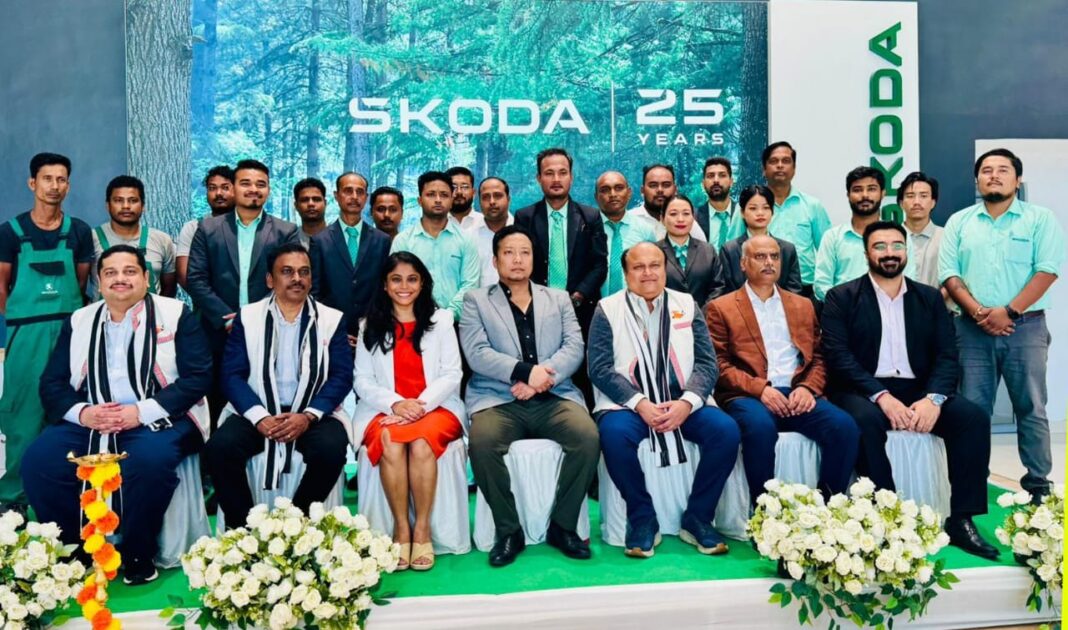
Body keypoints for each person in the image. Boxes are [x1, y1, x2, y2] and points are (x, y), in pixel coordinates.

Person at [25, 245, 211, 585]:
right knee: (40, 461)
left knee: (150, 461)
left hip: (160, 416)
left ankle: (138, 553)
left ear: (147, 278)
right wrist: (84, 414)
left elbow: (198, 377)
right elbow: (51, 382)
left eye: (130, 271)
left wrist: (139, 412)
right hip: (93, 418)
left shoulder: (176, 313)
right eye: (110, 273)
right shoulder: (80, 320)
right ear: (98, 281)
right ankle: (75, 551)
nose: (120, 279)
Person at [823, 222, 998, 559]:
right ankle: (886, 516)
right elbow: (839, 357)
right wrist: (882, 397)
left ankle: (962, 519)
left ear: (906, 251)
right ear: (866, 253)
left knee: (972, 418)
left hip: (919, 389)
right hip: (862, 388)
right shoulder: (841, 297)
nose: (889, 253)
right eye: (880, 246)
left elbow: (947, 355)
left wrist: (934, 399)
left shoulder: (929, 298)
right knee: (864, 421)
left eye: (896, 245)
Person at [589, 242, 740, 558]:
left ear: (665, 268)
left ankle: (698, 517)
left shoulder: (686, 304)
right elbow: (599, 367)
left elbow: (707, 363)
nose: (648, 273)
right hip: (629, 404)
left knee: (726, 431)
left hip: (682, 400)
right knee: (613, 436)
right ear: (626, 273)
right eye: (638, 267)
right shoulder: (608, 308)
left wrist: (687, 403)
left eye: (654, 265)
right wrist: (639, 403)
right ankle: (642, 517)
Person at [460, 225, 599, 567]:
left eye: (524, 252)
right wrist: (524, 372)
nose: (517, 259)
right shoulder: (476, 300)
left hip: (554, 395)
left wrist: (538, 382)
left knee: (587, 437)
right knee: (482, 442)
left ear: (534, 259)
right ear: (495, 261)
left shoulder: (558, 298)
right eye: (508, 252)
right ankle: (509, 531)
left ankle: (563, 526)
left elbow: (574, 347)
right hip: (498, 398)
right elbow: (477, 353)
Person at [940, 148, 1065, 500]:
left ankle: (1038, 484)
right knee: (972, 409)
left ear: (1017, 179)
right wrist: (980, 312)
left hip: (1026, 328)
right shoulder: (959, 222)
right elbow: (949, 274)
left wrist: (1008, 312)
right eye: (986, 170)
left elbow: (1047, 270)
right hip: (970, 329)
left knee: (1031, 406)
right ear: (977, 180)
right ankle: (971, 484)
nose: (993, 175)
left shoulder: (1040, 219)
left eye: (1003, 170)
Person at [205, 243, 351, 526]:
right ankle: (245, 530)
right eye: (287, 272)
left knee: (331, 450)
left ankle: (296, 525)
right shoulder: (248, 317)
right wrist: (260, 417)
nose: (297, 278)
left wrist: (308, 416)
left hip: (312, 412)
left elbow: (341, 375)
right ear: (270, 280)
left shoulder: (331, 319)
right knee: (220, 449)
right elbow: (232, 374)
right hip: (257, 409)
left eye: (304, 272)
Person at [706, 236, 858, 505]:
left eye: (774, 257)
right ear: (743, 264)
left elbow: (819, 357)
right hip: (749, 395)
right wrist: (761, 390)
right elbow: (718, 364)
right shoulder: (722, 307)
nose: (769, 262)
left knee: (844, 427)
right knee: (760, 428)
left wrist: (808, 387)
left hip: (797, 392)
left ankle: (828, 507)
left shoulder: (802, 304)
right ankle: (765, 512)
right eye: (760, 257)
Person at [353, 252, 465, 571]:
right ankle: (402, 530)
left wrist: (418, 406)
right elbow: (362, 379)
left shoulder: (441, 322)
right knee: (390, 441)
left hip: (436, 407)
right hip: (384, 409)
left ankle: (422, 530)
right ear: (385, 285)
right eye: (396, 279)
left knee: (420, 443)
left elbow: (452, 374)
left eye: (412, 279)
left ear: (423, 283)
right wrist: (395, 404)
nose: (405, 286)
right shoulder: (368, 325)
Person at [0, 152, 93, 513]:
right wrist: (25, 318)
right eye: (47, 179)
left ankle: (66, 495)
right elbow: (2, 288)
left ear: (68, 185)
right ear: (32, 183)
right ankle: (13, 499)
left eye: (61, 179)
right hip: (26, 333)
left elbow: (81, 283)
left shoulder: (79, 231)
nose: (54, 186)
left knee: (70, 412)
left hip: (70, 332)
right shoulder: (10, 232)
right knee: (22, 416)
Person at [186, 159, 300, 427]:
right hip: (217, 330)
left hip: (271, 328)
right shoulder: (208, 229)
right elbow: (196, 278)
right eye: (246, 183)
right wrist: (226, 319)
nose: (253, 189)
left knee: (266, 394)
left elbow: (291, 280)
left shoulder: (285, 231)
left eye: (261, 184)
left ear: (268, 190)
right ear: (234, 187)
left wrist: (259, 318)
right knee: (217, 396)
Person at [514, 148, 608, 332]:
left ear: (571, 177)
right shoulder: (525, 217)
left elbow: (599, 264)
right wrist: (538, 298)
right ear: (539, 178)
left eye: (562, 173)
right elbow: (520, 262)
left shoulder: (590, 216)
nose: (556, 179)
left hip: (581, 309)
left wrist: (577, 297)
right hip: (535, 309)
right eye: (549, 173)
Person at [310, 172, 391, 341]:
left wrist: (373, 324)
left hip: (372, 330)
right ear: (336, 195)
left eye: (360, 192)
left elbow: (385, 288)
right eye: (348, 191)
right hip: (332, 332)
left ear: (366, 197)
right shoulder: (320, 241)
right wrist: (328, 328)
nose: (354, 197)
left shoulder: (382, 240)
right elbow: (315, 291)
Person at [814, 166, 914, 301]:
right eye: (857, 190)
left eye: (871, 189)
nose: (865, 195)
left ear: (883, 193)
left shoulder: (899, 236)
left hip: (891, 308)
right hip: (844, 310)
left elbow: (909, 280)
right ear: (848, 195)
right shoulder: (833, 237)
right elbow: (821, 285)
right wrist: (843, 306)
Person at [390, 171, 481, 320]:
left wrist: (448, 315)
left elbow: (470, 284)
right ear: (420, 200)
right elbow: (396, 283)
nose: (438, 200)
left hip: (456, 323)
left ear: (451, 200)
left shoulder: (465, 239)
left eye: (444, 195)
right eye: (431, 194)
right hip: (414, 321)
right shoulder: (403, 240)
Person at [762, 141, 832, 297]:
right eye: (774, 161)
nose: (780, 165)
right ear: (764, 169)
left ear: (794, 169)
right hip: (761, 288)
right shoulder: (751, 207)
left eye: (786, 161)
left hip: (805, 289)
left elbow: (827, 251)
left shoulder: (812, 206)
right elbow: (736, 248)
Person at [90, 175, 177, 298]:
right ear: (107, 206)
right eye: (118, 200)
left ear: (143, 206)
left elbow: (170, 287)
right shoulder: (91, 239)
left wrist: (155, 309)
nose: (126, 206)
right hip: (104, 310)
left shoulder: (162, 240)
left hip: (151, 310)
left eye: (133, 200)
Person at [715, 185, 802, 296]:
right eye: (753, 208)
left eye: (766, 208)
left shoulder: (787, 250)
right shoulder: (729, 250)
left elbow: (794, 292)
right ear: (742, 212)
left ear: (772, 212)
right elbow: (727, 291)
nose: (760, 213)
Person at [595, 171, 656, 299]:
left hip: (637, 302)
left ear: (629, 193)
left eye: (619, 188)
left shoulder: (645, 229)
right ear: (596, 196)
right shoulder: (588, 228)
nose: (613, 194)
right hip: (593, 304)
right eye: (605, 190)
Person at [657, 194, 723, 307]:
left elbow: (718, 287)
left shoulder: (708, 250)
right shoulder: (654, 252)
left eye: (686, 214)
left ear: (693, 218)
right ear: (662, 219)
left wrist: (701, 314)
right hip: (666, 316)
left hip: (705, 316)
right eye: (673, 214)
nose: (680, 219)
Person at [177, 165, 235, 290]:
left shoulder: (248, 227)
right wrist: (207, 299)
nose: (218, 193)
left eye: (225, 187)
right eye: (212, 188)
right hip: (203, 299)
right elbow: (184, 276)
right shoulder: (192, 228)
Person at [630, 164, 706, 241]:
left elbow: (702, 247)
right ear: (642, 190)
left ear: (675, 190)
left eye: (666, 185)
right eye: (653, 185)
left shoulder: (685, 222)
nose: (660, 190)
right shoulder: (631, 220)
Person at [465, 176, 514, 287]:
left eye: (497, 196)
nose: (492, 202)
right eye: (486, 197)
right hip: (477, 297)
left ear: (508, 199)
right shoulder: (468, 236)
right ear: (479, 202)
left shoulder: (522, 233)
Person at [899, 171, 944, 290]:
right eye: (910, 196)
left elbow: (955, 276)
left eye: (923, 196)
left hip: (938, 301)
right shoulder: (891, 238)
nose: (916, 202)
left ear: (933, 202)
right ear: (901, 203)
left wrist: (935, 299)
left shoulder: (946, 237)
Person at [699, 157, 745, 250]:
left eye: (722, 175)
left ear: (731, 182)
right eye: (710, 176)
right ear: (703, 184)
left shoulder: (743, 213)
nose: (716, 180)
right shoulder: (695, 217)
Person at [292, 177, 328, 249]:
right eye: (304, 200)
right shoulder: (289, 240)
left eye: (316, 199)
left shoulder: (339, 237)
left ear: (325, 203)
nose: (311, 204)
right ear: (296, 205)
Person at [446, 166, 484, 231]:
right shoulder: (434, 223)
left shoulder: (484, 223)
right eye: (453, 187)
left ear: (473, 193)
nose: (459, 192)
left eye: (465, 187)